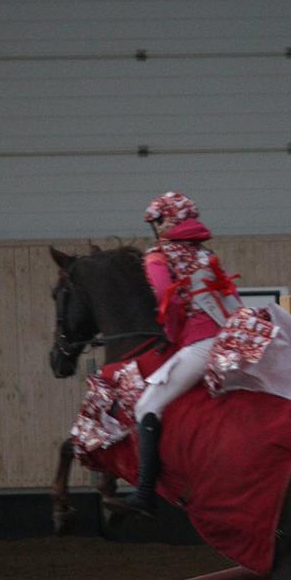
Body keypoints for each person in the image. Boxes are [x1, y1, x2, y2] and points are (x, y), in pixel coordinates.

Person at [104, 191, 251, 517]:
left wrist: (171, 334)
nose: (155, 229)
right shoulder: (206, 255)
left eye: (157, 222)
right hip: (231, 340)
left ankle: (145, 494)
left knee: (146, 405)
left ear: (166, 222)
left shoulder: (158, 257)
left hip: (202, 344)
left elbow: (163, 299)